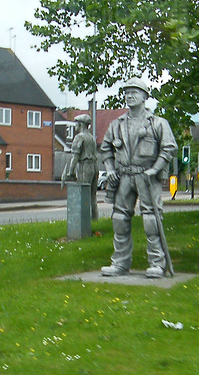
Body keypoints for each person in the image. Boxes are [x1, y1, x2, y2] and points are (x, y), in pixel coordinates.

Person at [99, 77, 178, 278]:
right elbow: (105, 149)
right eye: (127, 92)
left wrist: (155, 169)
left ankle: (157, 263)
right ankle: (120, 263)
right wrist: (109, 170)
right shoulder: (116, 125)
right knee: (119, 219)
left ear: (144, 96)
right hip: (124, 177)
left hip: (146, 177)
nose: (130, 95)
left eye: (134, 92)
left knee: (151, 220)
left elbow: (169, 148)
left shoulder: (158, 123)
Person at [62, 114, 100, 219]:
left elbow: (75, 156)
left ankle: (84, 222)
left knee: (84, 196)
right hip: (94, 166)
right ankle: (95, 220)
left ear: (80, 124)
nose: (75, 126)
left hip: (85, 167)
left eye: (76, 123)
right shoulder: (91, 137)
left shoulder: (79, 137)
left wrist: (70, 172)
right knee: (93, 196)